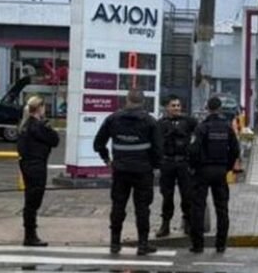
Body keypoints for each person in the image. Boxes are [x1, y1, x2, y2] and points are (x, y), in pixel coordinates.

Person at [94, 89, 163, 255]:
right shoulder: (150, 122)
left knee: (118, 206)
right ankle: (143, 244)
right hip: (143, 171)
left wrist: (107, 159)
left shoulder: (113, 119)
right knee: (142, 208)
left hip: (120, 170)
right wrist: (153, 166)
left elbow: (98, 143)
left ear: (126, 100)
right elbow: (159, 149)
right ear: (143, 102)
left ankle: (115, 243)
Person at [189, 96, 241, 253]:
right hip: (220, 171)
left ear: (207, 108)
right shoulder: (227, 127)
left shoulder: (202, 127)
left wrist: (194, 167)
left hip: (203, 171)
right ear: (220, 108)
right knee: (222, 208)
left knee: (198, 207)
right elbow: (235, 150)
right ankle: (221, 244)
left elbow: (194, 150)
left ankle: (198, 245)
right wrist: (227, 167)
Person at [17, 96, 60, 247]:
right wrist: (48, 127)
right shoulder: (38, 126)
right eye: (43, 107)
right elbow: (55, 140)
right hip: (36, 165)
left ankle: (30, 233)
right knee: (33, 201)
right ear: (39, 108)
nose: (45, 110)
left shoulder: (24, 125)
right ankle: (30, 235)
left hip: (27, 164)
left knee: (31, 199)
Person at [156, 95, 198, 238]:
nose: (176, 108)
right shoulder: (161, 123)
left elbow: (200, 133)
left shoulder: (188, 121)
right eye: (173, 105)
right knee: (167, 195)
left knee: (187, 195)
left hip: (183, 163)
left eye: (178, 105)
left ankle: (187, 222)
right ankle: (165, 224)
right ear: (167, 107)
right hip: (167, 162)